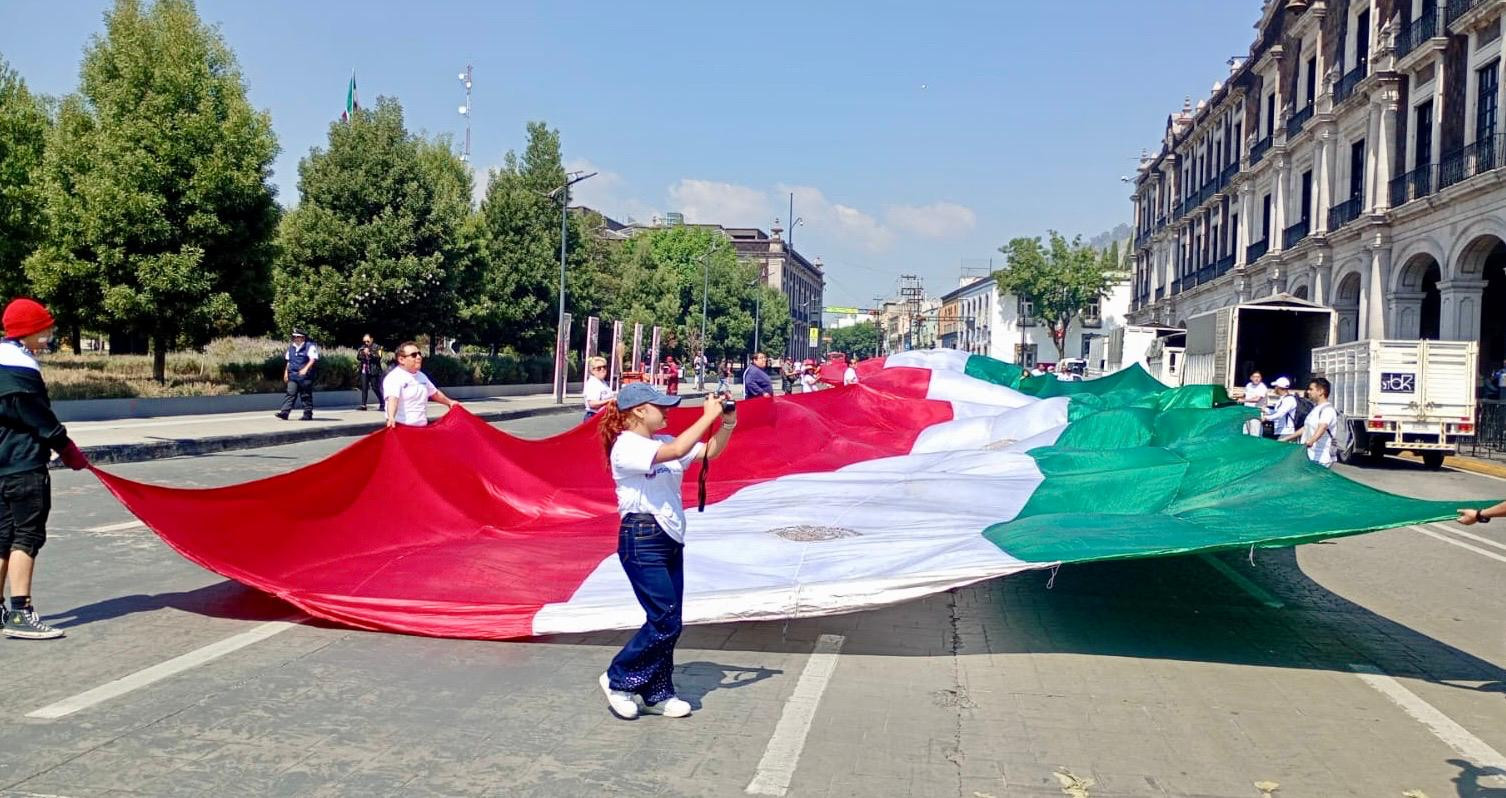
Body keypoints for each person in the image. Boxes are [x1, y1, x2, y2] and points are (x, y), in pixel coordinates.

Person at [597, 382, 736, 719]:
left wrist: (727, 422)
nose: (667, 412)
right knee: (665, 619)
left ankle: (658, 691)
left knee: (670, 619)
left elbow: (707, 452)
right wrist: (706, 417)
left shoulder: (662, 441)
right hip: (641, 537)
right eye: (660, 406)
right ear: (639, 411)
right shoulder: (626, 447)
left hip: (671, 538)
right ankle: (618, 678)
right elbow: (675, 454)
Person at [0, 299, 88, 639]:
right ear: (28, 331)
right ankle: (21, 612)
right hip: (23, 466)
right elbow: (38, 416)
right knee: (26, 537)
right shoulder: (19, 371)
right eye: (45, 328)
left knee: (2, 539)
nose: (50, 333)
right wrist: (65, 447)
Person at [383, 341, 460, 428]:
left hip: (421, 428)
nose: (419, 357)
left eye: (419, 354)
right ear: (401, 360)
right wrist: (391, 417)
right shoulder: (394, 377)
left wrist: (450, 402)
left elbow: (434, 393)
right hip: (401, 429)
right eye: (414, 355)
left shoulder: (421, 376)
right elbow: (393, 399)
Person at [274, 329, 320, 421]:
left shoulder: (309, 346)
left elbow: (312, 359)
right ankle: (284, 413)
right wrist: (286, 373)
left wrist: (305, 369)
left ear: (303, 337)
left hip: (305, 376)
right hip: (293, 375)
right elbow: (289, 362)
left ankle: (307, 414)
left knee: (305, 395)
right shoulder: (291, 347)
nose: (295, 338)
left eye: (297, 337)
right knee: (290, 393)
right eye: (294, 337)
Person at [1302, 377, 1339, 468]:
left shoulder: (1328, 410)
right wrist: (1287, 438)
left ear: (1321, 391)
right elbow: (1305, 428)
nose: (1308, 392)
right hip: (1310, 455)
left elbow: (1322, 427)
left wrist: (1311, 441)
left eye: (1311, 389)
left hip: (1321, 458)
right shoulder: (1315, 409)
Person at [356, 334, 384, 411]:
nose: (366, 343)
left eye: (367, 341)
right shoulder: (362, 347)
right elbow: (358, 357)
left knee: (375, 387)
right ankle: (363, 405)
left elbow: (379, 356)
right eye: (364, 341)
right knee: (364, 387)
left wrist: (369, 353)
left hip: (374, 370)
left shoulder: (378, 347)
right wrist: (363, 353)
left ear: (372, 339)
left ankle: (382, 402)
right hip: (364, 370)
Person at [583, 356, 614, 422]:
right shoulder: (593, 383)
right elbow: (592, 404)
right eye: (599, 368)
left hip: (603, 416)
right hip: (595, 417)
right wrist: (610, 400)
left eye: (604, 367)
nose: (602, 369)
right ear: (592, 370)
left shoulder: (602, 382)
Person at [1242, 371, 1269, 437]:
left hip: (1256, 413)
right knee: (1245, 433)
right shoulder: (1248, 385)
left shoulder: (1262, 387)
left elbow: (1257, 399)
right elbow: (1245, 395)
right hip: (1247, 412)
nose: (1256, 379)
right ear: (1251, 378)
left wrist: (1243, 400)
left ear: (1261, 378)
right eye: (1254, 377)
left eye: (1258, 377)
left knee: (1254, 435)